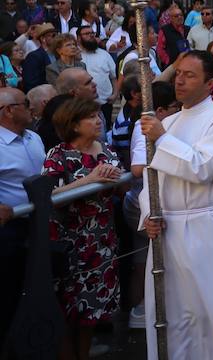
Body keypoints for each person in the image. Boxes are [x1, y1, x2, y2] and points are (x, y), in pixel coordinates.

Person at [138, 51, 213, 360]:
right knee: (171, 315)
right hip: (166, 230)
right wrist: (148, 213)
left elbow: (201, 169)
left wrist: (162, 138)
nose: (179, 79)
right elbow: (151, 177)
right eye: (178, 73)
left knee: (212, 312)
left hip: (204, 229)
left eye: (189, 75)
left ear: (209, 83)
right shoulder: (170, 121)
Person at [43, 97, 123, 360]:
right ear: (74, 125)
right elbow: (48, 194)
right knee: (67, 309)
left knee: (92, 309)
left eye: (97, 115)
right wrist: (89, 180)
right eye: (90, 117)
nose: (98, 120)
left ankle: (85, 354)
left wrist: (118, 178)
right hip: (70, 242)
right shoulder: (59, 155)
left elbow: (124, 185)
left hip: (101, 241)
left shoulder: (107, 150)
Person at [124, 81, 179, 329]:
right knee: (144, 258)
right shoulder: (144, 127)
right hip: (141, 201)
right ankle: (141, 309)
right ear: (159, 111)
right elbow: (137, 168)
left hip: (149, 197)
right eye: (173, 108)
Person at [0, 87, 45, 352]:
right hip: (10, 231)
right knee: (8, 292)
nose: (31, 107)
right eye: (25, 103)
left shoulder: (34, 138)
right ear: (9, 110)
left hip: (40, 225)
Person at [76, 25, 118, 127]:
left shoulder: (104, 54)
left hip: (105, 103)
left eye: (92, 33)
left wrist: (115, 94)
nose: (91, 36)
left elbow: (113, 77)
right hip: (83, 105)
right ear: (78, 38)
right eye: (86, 34)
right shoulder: (76, 56)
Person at [22, 22, 57, 91]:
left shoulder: (58, 54)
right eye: (52, 36)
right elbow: (30, 82)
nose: (56, 38)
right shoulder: (34, 56)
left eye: (56, 35)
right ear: (43, 39)